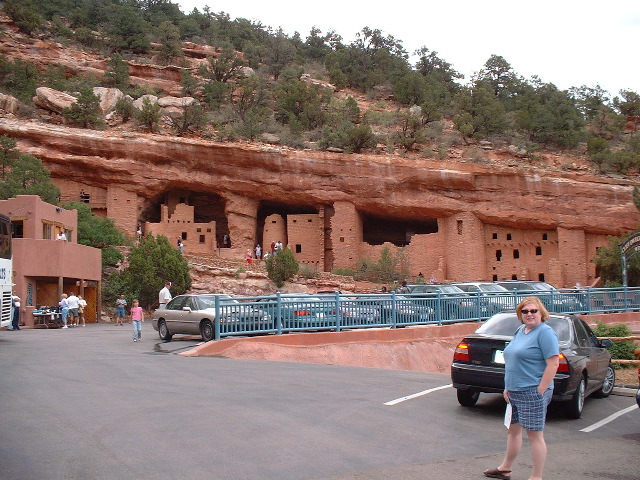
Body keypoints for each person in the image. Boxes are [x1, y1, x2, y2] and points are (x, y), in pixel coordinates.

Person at [483, 296, 559, 480]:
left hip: (532, 390)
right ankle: (505, 468)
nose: (529, 314)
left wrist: (541, 390)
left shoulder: (545, 333)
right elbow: (513, 359)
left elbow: (553, 364)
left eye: (533, 311)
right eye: (525, 312)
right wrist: (508, 387)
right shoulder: (520, 331)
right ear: (520, 315)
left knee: (534, 436)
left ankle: (536, 477)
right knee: (513, 431)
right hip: (515, 391)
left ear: (541, 313)